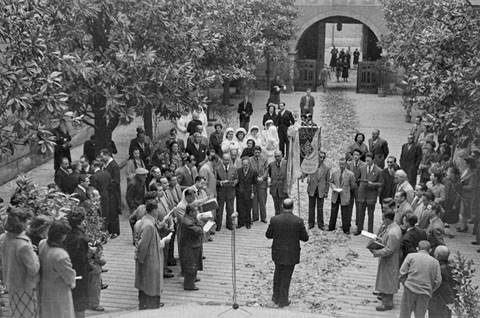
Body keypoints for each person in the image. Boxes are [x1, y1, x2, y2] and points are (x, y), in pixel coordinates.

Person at [266, 198, 309, 308]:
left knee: (277, 274)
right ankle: (283, 299)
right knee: (286, 276)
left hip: (278, 251)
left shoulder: (275, 219)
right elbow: (305, 238)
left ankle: (276, 297)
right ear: (292, 207)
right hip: (291, 252)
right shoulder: (298, 221)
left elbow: (268, 235)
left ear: (282, 206)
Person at [1, 207, 40, 317]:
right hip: (25, 286)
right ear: (22, 222)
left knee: (16, 313)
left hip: (11, 283)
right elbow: (34, 268)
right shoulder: (24, 245)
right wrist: (35, 254)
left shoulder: (4, 238)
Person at [134, 200, 172, 309]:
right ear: (155, 210)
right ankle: (150, 306)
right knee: (151, 285)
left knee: (147, 285)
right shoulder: (149, 225)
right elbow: (143, 245)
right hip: (150, 260)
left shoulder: (146, 220)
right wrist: (163, 241)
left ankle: (147, 304)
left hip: (150, 257)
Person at [39, 220, 76, 318]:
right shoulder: (61, 255)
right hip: (59, 291)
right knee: (61, 314)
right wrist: (72, 283)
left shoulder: (42, 244)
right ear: (62, 236)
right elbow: (69, 276)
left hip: (45, 286)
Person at [369, 209, 402, 311]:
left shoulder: (393, 232)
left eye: (383, 219)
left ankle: (387, 303)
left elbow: (389, 249)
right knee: (385, 277)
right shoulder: (393, 227)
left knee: (388, 279)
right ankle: (384, 295)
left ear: (388, 219)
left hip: (391, 259)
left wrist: (376, 252)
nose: (382, 221)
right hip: (388, 259)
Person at [399, 240, 442, 318]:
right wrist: (430, 289)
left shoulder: (410, 256)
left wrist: (405, 283)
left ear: (417, 248)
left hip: (409, 288)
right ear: (430, 250)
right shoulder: (435, 262)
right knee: (420, 315)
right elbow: (438, 281)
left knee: (404, 314)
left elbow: (402, 272)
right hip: (424, 292)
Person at [64, 208, 90, 318]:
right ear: (80, 222)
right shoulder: (79, 238)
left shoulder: (68, 234)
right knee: (79, 305)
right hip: (79, 275)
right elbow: (81, 259)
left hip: (71, 273)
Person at [355, 153, 382, 234]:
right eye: (366, 160)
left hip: (371, 194)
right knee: (360, 213)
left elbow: (381, 183)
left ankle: (370, 231)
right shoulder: (362, 168)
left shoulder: (378, 170)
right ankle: (359, 229)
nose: (367, 162)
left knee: (371, 214)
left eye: (369, 161)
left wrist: (372, 184)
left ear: (373, 160)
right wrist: (361, 181)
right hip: (362, 193)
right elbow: (357, 179)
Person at [302, 151, 330, 230]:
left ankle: (321, 224)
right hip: (312, 188)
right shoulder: (312, 165)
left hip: (321, 189)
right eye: (320, 157)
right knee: (311, 207)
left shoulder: (327, 168)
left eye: (323, 158)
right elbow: (305, 173)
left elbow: (328, 181)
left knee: (320, 208)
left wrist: (326, 192)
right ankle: (311, 223)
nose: (321, 159)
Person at [178, 204, 203, 291]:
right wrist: (200, 224)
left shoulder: (189, 218)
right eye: (195, 211)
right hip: (189, 246)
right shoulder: (187, 223)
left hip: (193, 244)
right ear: (190, 212)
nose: (196, 213)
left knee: (194, 263)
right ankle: (189, 284)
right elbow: (198, 231)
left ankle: (193, 279)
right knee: (190, 265)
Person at [328, 157, 356, 234]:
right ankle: (331, 227)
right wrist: (334, 187)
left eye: (343, 164)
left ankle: (346, 229)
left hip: (345, 195)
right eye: (340, 164)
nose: (341, 166)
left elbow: (353, 185)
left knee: (345, 213)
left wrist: (347, 190)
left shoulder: (350, 174)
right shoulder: (334, 173)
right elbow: (331, 182)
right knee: (333, 212)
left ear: (346, 164)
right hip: (336, 194)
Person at [100, 148, 121, 238]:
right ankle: (110, 229)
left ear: (107, 155)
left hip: (113, 193)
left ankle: (115, 231)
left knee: (113, 212)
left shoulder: (114, 166)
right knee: (110, 211)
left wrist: (107, 186)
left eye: (102, 156)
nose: (101, 158)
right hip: (109, 193)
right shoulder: (106, 165)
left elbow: (116, 181)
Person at [429, 246, 455, 318]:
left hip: (438, 299)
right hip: (449, 299)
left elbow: (443, 287)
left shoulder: (439, 269)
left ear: (437, 255)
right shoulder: (452, 265)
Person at [216, 153, 238, 231]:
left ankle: (229, 224)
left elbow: (236, 178)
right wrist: (221, 182)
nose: (227, 161)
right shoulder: (217, 169)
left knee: (230, 209)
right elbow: (215, 180)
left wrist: (235, 181)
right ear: (222, 160)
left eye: (228, 160)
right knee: (219, 210)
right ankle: (218, 225)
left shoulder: (234, 168)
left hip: (230, 191)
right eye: (225, 160)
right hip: (221, 192)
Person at [236, 158, 257, 229]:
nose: (245, 166)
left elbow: (255, 183)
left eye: (246, 165)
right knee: (239, 208)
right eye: (243, 165)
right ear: (242, 164)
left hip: (248, 192)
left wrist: (253, 192)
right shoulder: (238, 171)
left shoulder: (253, 171)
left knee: (248, 208)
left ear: (249, 164)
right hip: (240, 192)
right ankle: (240, 222)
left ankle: (248, 223)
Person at [249, 146, 269, 223]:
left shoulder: (264, 159)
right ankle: (255, 216)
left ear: (260, 152)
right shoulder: (250, 160)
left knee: (262, 200)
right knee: (254, 200)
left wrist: (263, 177)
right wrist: (254, 178)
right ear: (253, 152)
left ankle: (263, 217)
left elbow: (267, 169)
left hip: (262, 182)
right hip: (253, 182)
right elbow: (249, 169)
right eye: (255, 152)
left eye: (258, 152)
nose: (257, 154)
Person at [89, 160, 111, 225]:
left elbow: (93, 189)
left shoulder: (93, 176)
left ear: (93, 166)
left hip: (98, 197)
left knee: (100, 215)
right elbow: (110, 185)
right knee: (106, 215)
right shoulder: (107, 174)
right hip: (106, 195)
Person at [443, 166, 461, 238]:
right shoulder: (445, 180)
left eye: (448, 172)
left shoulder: (459, 183)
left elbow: (459, 195)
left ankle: (452, 232)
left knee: (453, 218)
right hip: (446, 201)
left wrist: (455, 204)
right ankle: (442, 230)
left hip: (453, 201)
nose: (447, 173)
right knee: (444, 215)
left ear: (453, 174)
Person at [268, 151, 288, 216]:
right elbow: (270, 174)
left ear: (282, 156)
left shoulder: (287, 164)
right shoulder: (271, 164)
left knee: (282, 207)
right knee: (276, 207)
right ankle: (277, 221)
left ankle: (282, 220)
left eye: (279, 156)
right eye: (276, 156)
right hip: (274, 189)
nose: (277, 158)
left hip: (283, 188)